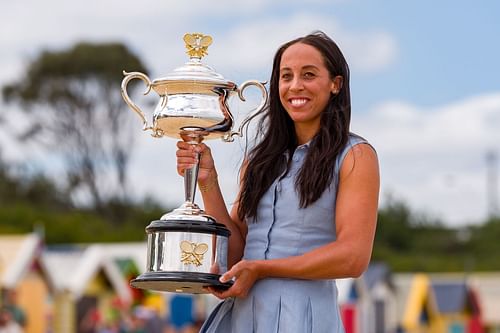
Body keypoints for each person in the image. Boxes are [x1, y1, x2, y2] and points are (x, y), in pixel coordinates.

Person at [175, 31, 380, 332]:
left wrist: (261, 269)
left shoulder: (355, 156)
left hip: (305, 318)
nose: (295, 85)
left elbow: (353, 257)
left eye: (308, 75)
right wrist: (208, 181)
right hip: (242, 317)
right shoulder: (258, 160)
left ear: (335, 84)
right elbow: (235, 253)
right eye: (286, 76)